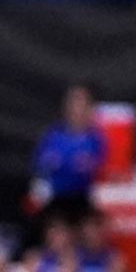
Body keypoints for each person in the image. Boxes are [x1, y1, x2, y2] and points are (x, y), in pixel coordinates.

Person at [32, 85, 105, 218]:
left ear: (90, 109)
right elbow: (40, 164)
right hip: (54, 199)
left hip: (84, 200)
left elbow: (94, 169)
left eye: (82, 104)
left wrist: (65, 164)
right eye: (73, 103)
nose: (77, 109)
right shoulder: (52, 136)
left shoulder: (96, 139)